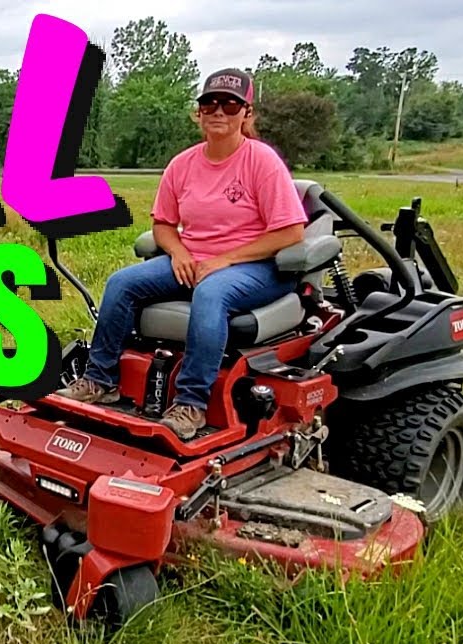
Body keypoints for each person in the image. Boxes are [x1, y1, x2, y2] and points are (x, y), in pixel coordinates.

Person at [56, 68, 308, 440]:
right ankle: (100, 380)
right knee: (122, 283)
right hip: (195, 260)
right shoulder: (183, 164)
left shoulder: (262, 161)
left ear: (246, 113)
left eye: (229, 104)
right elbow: (163, 225)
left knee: (212, 291)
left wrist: (224, 260)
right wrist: (176, 253)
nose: (218, 111)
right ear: (198, 112)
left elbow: (290, 231)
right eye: (210, 103)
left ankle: (191, 404)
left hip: (257, 266)